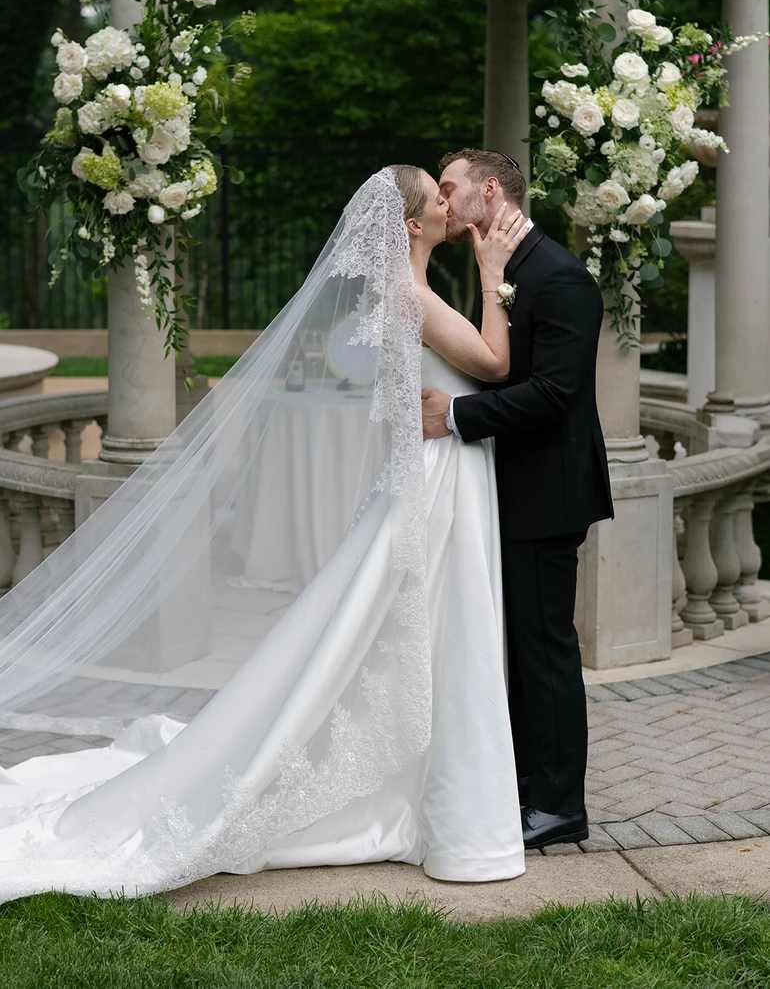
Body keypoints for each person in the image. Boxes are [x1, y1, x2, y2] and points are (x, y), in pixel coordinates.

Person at [0, 165, 531, 903]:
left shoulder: (404, 292)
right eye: (435, 196)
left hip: (435, 478)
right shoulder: (412, 295)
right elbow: (496, 363)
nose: (449, 203)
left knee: (389, 637)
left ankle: (422, 790)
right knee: (403, 635)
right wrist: (493, 267)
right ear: (412, 225)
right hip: (435, 484)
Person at [422, 148, 614, 850]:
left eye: (450, 188)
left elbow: (556, 393)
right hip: (508, 486)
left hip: (548, 490)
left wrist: (457, 417)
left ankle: (560, 805)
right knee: (519, 645)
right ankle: (527, 786)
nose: (443, 202)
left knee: (545, 648)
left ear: (490, 189)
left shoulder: (560, 276)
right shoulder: (500, 269)